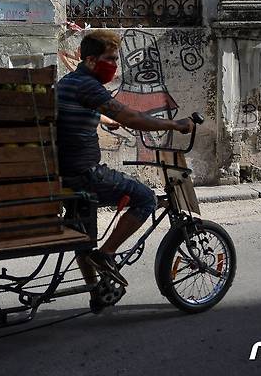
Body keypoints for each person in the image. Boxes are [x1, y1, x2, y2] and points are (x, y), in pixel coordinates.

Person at [56, 30, 194, 311]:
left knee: (84, 237)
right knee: (145, 197)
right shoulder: (88, 86)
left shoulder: (69, 82)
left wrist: (104, 118)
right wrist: (174, 125)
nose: (115, 65)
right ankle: (107, 254)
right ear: (92, 60)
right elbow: (131, 116)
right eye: (110, 59)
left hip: (66, 173)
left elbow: (82, 111)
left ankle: (96, 290)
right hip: (86, 172)